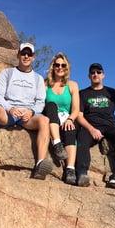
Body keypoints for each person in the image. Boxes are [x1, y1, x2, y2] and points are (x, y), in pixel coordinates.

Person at [0, 42, 53, 179]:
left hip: (28, 116)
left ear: (34, 57)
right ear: (18, 55)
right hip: (8, 113)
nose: (26, 56)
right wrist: (9, 108)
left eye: (29, 54)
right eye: (23, 53)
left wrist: (31, 112)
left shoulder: (38, 79)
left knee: (44, 120)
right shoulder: (7, 73)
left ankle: (40, 164)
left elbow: (40, 102)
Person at [75, 63, 115, 188]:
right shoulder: (82, 93)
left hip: (109, 126)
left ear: (103, 75)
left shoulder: (111, 92)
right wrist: (92, 129)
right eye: (92, 72)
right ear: (89, 76)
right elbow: (79, 116)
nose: (95, 74)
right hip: (91, 126)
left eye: (98, 72)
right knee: (82, 137)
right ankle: (81, 173)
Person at [43, 53, 79, 185]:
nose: (60, 67)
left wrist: (70, 119)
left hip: (65, 119)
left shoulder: (72, 85)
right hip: (50, 117)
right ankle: (57, 144)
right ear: (53, 67)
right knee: (51, 105)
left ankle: (70, 169)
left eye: (63, 65)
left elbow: (75, 109)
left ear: (67, 68)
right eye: (57, 65)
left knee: (71, 128)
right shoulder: (45, 84)